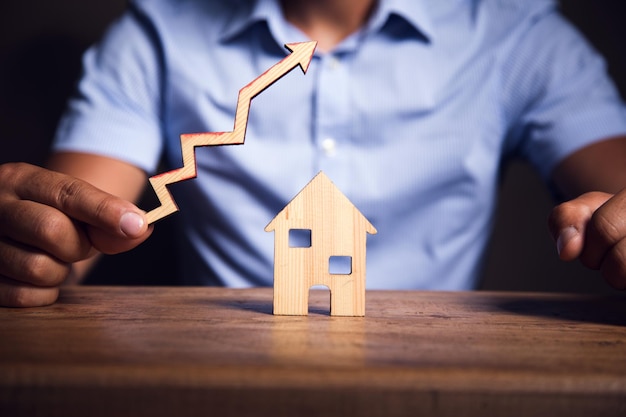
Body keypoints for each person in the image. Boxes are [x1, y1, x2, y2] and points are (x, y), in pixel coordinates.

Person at [1, 0, 626, 307]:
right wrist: (36, 242)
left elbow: (618, 197)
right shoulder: (156, 34)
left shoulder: (519, 34)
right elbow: (67, 230)